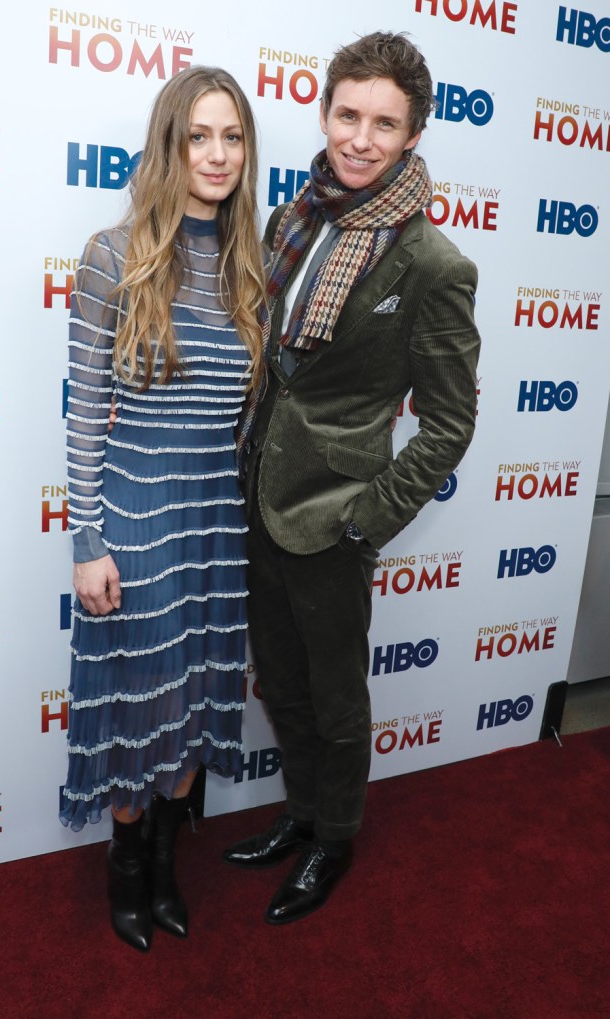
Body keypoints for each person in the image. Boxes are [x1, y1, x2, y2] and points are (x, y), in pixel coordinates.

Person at [224, 31, 481, 925]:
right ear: (325, 110)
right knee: (282, 684)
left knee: (335, 696)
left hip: (334, 517)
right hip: (257, 492)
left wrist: (366, 518)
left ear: (413, 135)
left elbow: (449, 421)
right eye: (347, 114)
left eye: (384, 123)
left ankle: (335, 838)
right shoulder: (295, 215)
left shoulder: (433, 262)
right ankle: (299, 813)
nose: (360, 139)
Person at [59, 66, 266, 952]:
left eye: (233, 137)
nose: (216, 155)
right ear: (169, 144)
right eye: (199, 137)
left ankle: (169, 869)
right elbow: (82, 408)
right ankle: (126, 866)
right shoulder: (114, 256)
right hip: (137, 517)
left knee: (194, 702)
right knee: (139, 702)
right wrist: (87, 539)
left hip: (218, 521)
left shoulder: (256, 265)